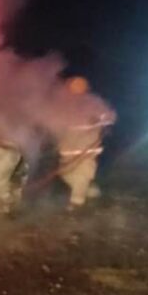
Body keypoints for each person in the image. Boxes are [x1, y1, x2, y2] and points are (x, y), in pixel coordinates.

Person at [57, 77, 115, 209]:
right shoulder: (64, 105)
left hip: (86, 149)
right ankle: (89, 190)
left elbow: (108, 118)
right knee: (66, 175)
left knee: (81, 174)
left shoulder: (93, 103)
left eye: (78, 87)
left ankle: (76, 202)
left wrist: (100, 122)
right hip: (68, 149)